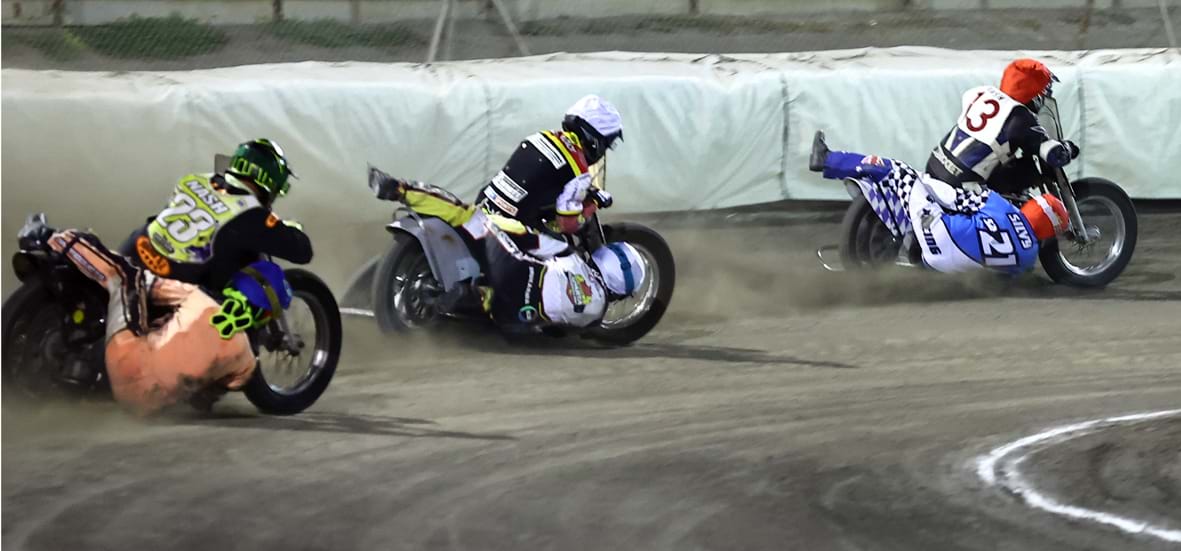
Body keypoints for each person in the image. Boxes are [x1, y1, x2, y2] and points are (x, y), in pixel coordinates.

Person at [369, 94, 645, 332]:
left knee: (459, 210)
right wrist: (591, 205)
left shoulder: (540, 138)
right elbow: (568, 224)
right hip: (511, 229)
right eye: (607, 143)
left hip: (486, 206)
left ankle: (400, 189)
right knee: (554, 255)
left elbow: (535, 185)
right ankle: (480, 298)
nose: (605, 149)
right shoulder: (578, 171)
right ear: (594, 138)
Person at [38, 227, 290, 416]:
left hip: (125, 360)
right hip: (145, 407)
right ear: (265, 314)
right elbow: (206, 399)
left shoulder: (199, 299)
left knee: (126, 276)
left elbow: (149, 285)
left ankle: (59, 241)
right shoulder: (246, 363)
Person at [810, 134, 1070, 275]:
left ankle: (829, 160)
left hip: (934, 231)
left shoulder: (1002, 206)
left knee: (898, 170)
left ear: (1033, 207)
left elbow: (953, 197)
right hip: (943, 269)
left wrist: (924, 182)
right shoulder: (1028, 260)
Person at [121, 139, 313, 292]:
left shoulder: (193, 180)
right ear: (271, 182)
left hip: (131, 257)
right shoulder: (253, 214)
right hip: (172, 287)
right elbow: (303, 252)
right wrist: (289, 229)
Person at [922, 58, 1079, 195]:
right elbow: (1054, 155)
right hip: (962, 186)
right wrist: (1069, 148)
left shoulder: (981, 92)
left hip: (935, 164)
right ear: (1036, 95)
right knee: (1026, 175)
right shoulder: (1019, 116)